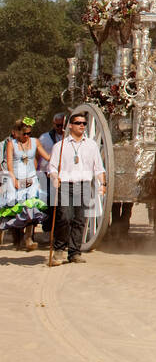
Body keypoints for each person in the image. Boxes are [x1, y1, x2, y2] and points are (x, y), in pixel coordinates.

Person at [48, 113, 106, 265]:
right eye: (78, 122)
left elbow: (99, 169)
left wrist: (103, 184)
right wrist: (55, 178)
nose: (82, 125)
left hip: (84, 185)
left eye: (84, 123)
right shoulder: (60, 146)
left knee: (80, 220)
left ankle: (74, 252)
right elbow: (52, 167)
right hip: (66, 185)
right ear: (70, 125)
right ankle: (59, 249)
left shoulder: (92, 145)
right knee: (65, 218)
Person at [2, 118, 52, 250]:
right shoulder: (11, 144)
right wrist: (13, 180)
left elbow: (47, 157)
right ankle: (17, 238)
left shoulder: (35, 142)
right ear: (17, 133)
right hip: (17, 179)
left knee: (31, 207)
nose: (27, 136)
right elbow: (9, 164)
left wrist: (58, 157)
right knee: (18, 209)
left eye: (29, 133)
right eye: (24, 134)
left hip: (31, 179)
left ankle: (28, 237)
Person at [37, 113, 64, 234]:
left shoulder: (69, 138)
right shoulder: (44, 138)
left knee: (60, 204)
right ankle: (47, 230)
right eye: (58, 125)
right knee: (47, 203)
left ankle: (59, 231)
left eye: (62, 125)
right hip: (45, 174)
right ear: (54, 124)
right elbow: (37, 156)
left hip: (63, 175)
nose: (60, 128)